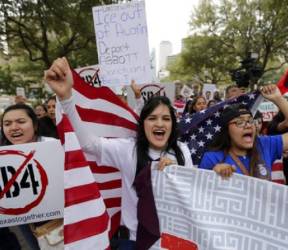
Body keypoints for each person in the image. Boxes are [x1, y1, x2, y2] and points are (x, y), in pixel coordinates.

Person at [44, 57, 193, 249]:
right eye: (152, 118)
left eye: (166, 118)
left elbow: (191, 196)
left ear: (173, 124)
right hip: (134, 240)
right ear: (143, 124)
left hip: (174, 240)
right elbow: (89, 144)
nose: (159, 124)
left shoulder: (182, 151)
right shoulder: (127, 149)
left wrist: (178, 175)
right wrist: (66, 99)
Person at [198, 85, 288, 180]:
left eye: (251, 121)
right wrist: (213, 175)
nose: (248, 125)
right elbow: (199, 192)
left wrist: (278, 99)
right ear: (227, 130)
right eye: (239, 122)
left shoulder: (265, 144)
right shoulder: (211, 158)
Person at [1, 103, 63, 250]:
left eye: (21, 122)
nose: (14, 127)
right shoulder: (4, 154)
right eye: (7, 124)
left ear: (35, 125)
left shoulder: (54, 146)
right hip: (27, 221)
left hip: (61, 223)